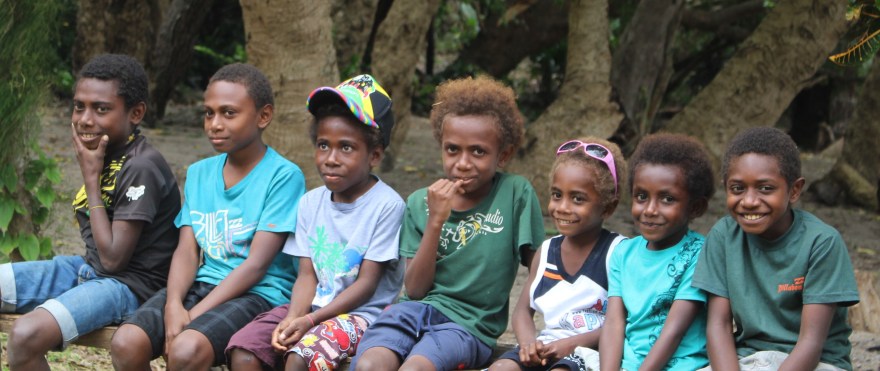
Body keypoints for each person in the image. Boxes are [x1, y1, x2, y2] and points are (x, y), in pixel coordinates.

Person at [109, 63, 306, 369]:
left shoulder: (283, 176)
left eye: (229, 113)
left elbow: (256, 266)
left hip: (259, 294)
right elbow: (187, 250)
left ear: (263, 116)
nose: (214, 123)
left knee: (186, 349)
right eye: (209, 113)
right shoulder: (200, 173)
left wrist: (193, 316)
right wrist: (174, 304)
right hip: (205, 284)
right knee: (126, 343)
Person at [351, 75, 545, 371]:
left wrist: (525, 326)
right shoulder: (419, 202)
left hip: (468, 326)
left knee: (415, 368)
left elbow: (539, 267)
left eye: (478, 151)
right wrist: (435, 222)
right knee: (369, 365)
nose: (463, 163)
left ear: (503, 155)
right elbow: (415, 289)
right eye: (453, 149)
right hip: (411, 311)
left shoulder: (515, 194)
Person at [0, 54, 181, 371]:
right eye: (79, 106)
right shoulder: (104, 151)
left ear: (136, 112)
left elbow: (113, 260)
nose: (85, 119)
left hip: (129, 287)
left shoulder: (141, 166)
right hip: (86, 270)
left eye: (101, 109)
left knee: (25, 335)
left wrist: (91, 179)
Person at [225, 74, 406, 371]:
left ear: (374, 154)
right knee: (246, 351)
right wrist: (293, 318)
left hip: (363, 316)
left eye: (346, 148)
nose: (330, 159)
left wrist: (310, 321)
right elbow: (307, 276)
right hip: (313, 308)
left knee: (300, 358)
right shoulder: (311, 202)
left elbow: (367, 284)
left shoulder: (388, 206)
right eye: (323, 145)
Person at [693, 127, 859, 371]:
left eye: (765, 188)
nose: (749, 201)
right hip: (747, 358)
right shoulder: (723, 236)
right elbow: (718, 325)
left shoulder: (822, 242)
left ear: (794, 190)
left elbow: (811, 342)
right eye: (737, 188)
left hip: (814, 363)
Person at [489, 137, 627, 371]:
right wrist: (528, 344)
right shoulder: (546, 251)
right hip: (547, 346)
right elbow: (523, 310)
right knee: (501, 368)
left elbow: (623, 323)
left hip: (591, 352)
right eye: (556, 195)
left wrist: (572, 344)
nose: (562, 207)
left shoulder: (618, 252)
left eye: (578, 198)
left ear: (607, 207)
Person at [599, 133, 714, 371]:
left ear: (695, 207)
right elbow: (613, 324)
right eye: (641, 196)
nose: (650, 210)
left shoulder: (699, 253)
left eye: (667, 199)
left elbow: (674, 331)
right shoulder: (624, 253)